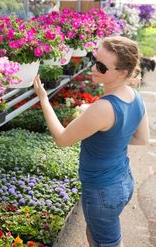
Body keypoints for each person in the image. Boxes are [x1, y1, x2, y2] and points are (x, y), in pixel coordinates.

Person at [33, 35, 149, 247]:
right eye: (93, 60)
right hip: (123, 180)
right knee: (97, 234)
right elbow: (142, 138)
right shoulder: (134, 95)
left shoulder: (103, 108)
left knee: (108, 242)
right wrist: (112, 137)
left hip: (102, 190)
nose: (93, 68)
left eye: (102, 67)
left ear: (122, 72)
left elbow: (61, 139)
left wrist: (43, 99)